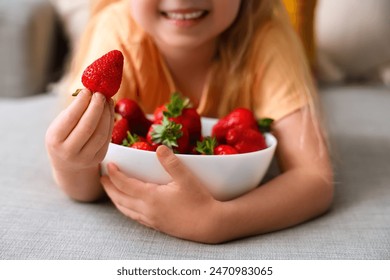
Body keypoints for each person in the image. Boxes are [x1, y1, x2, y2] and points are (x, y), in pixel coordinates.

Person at [45, 0, 334, 244]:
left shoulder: (265, 32)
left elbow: (314, 179)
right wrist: (71, 163)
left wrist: (218, 222)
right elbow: (89, 182)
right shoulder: (118, 31)